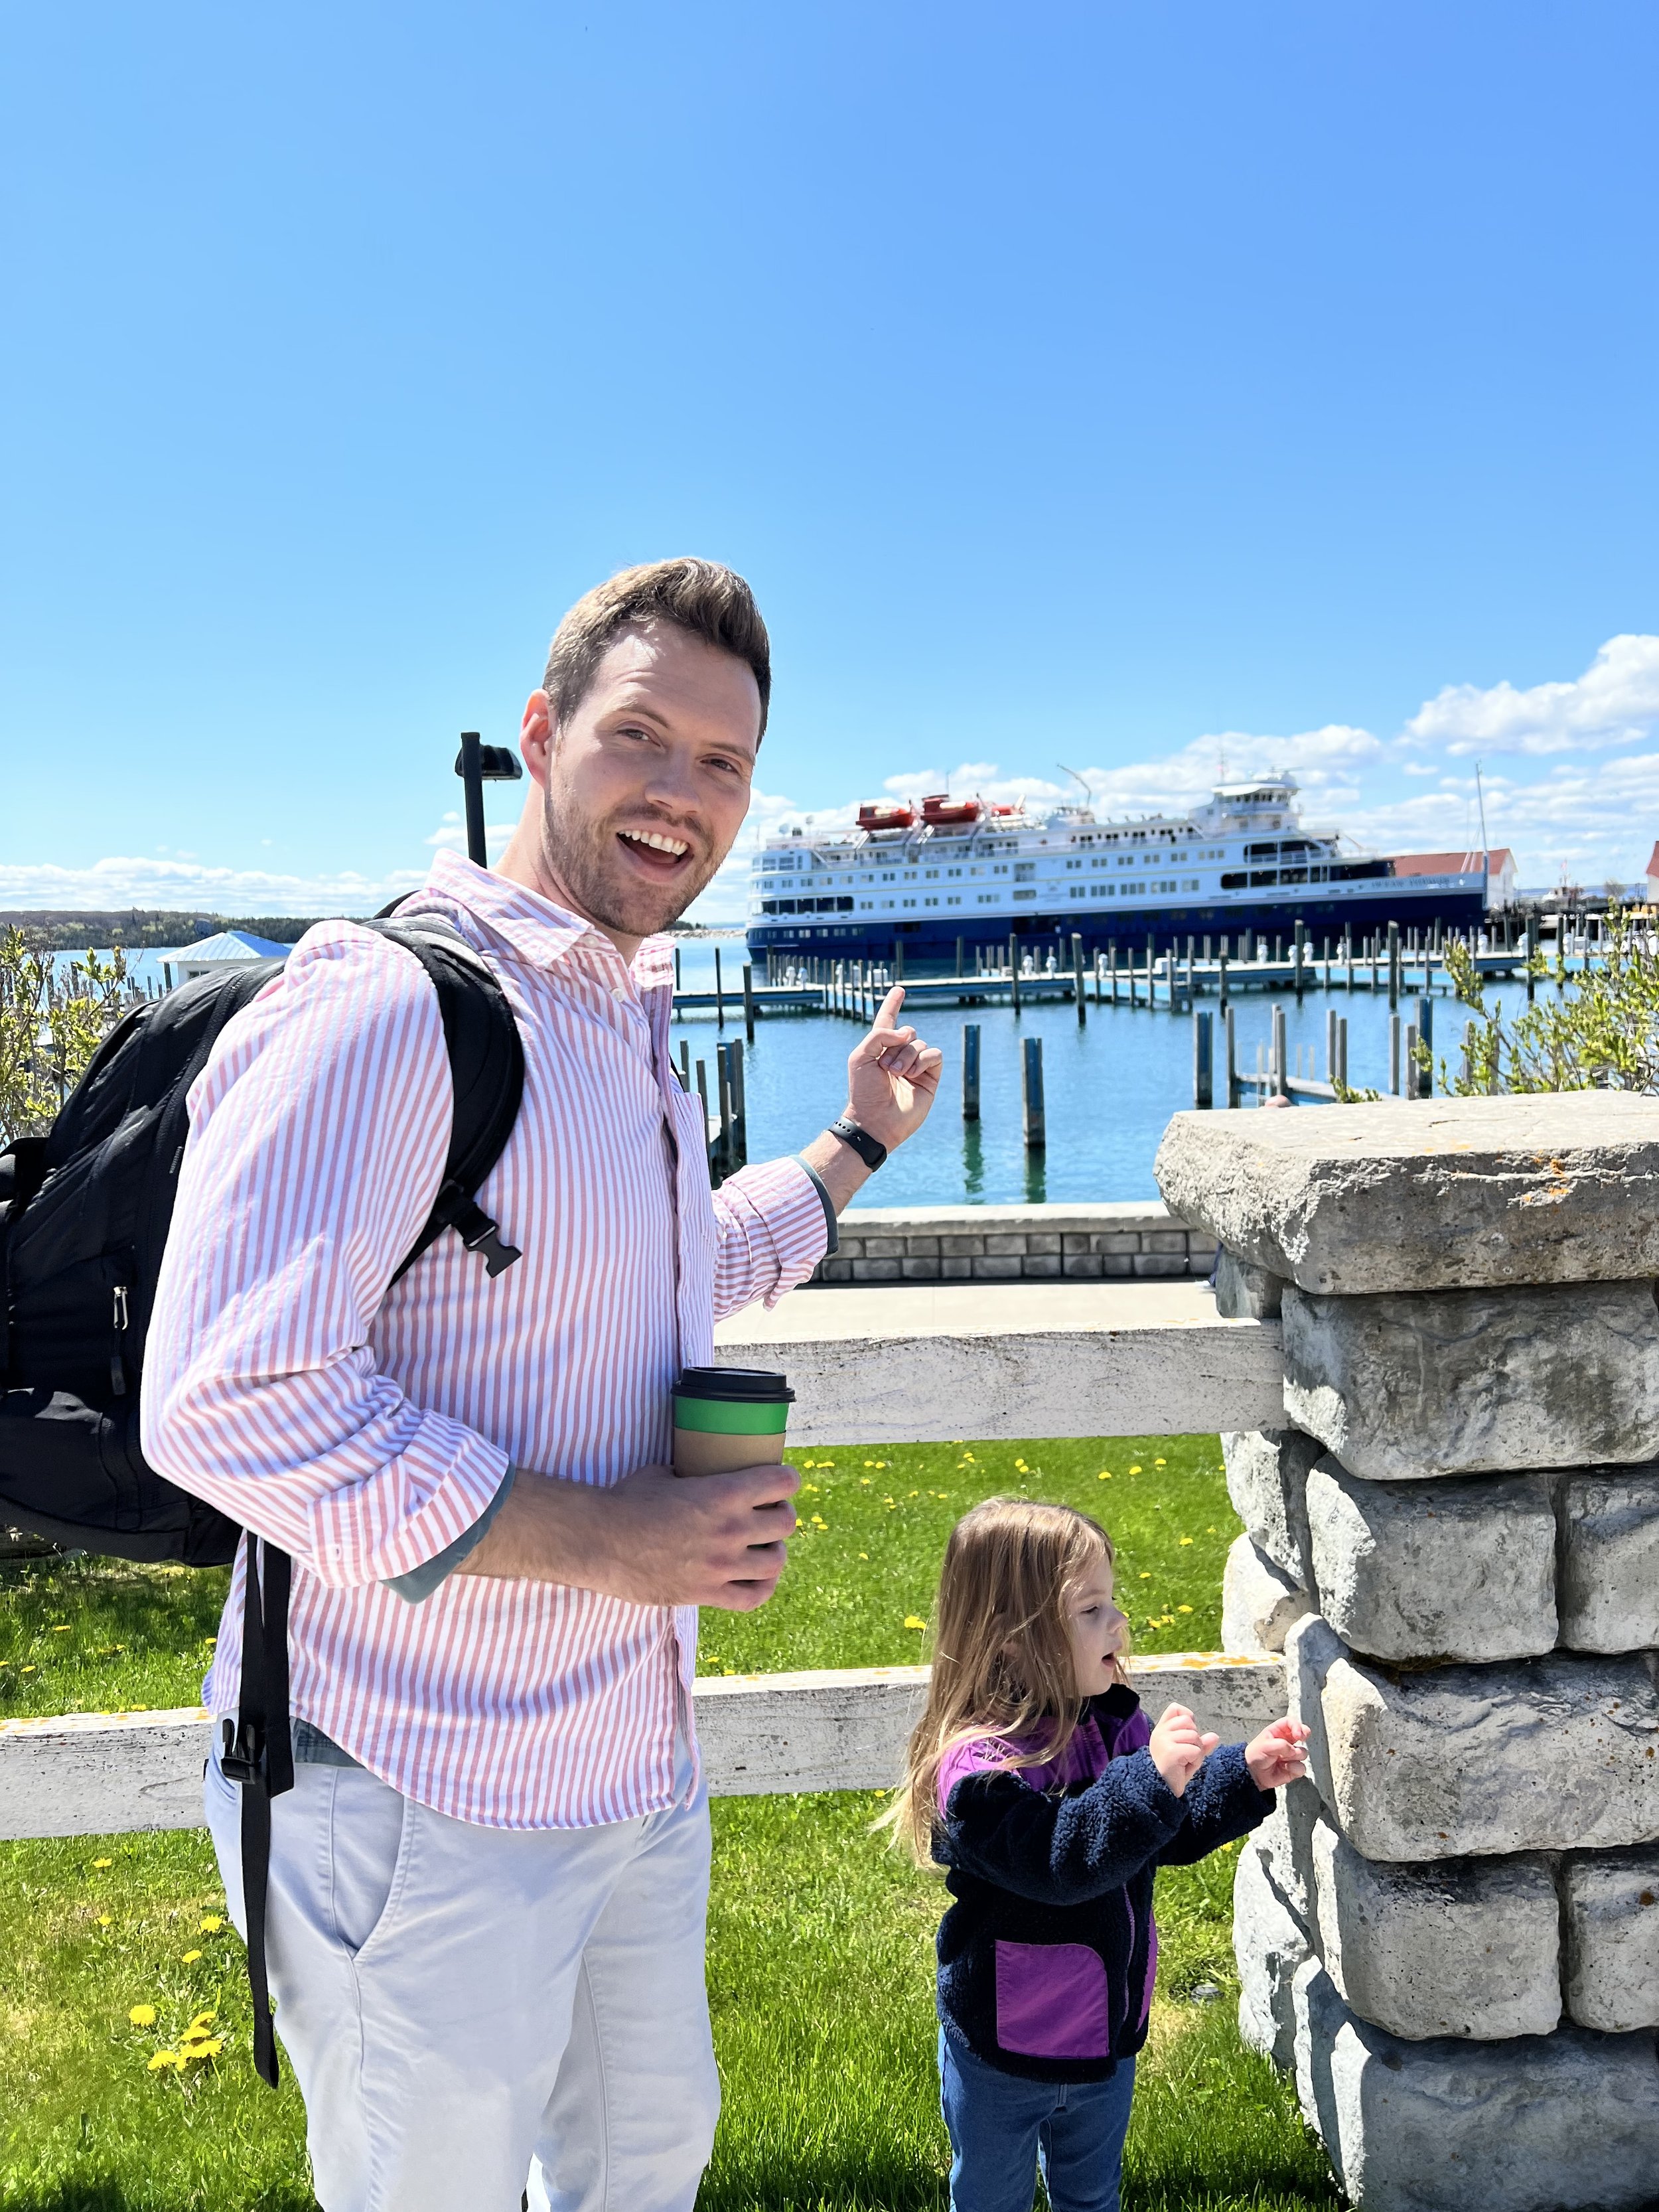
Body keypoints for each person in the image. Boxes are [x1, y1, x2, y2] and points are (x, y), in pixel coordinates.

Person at [141, 558, 944, 2212]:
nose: (683, 795)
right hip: (413, 1784)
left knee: (645, 2170)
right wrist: (618, 1546)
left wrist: (852, 1143)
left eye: (724, 762)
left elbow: (657, 1265)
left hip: (630, 1769)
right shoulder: (392, 1006)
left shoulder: (618, 1013)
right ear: (540, 731)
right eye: (642, 736)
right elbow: (227, 1397)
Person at [884, 1499, 1310, 2212]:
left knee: (1091, 2195)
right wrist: (1150, 1777)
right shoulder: (978, 1773)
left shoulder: (1107, 1721)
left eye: (1110, 1603)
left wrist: (1240, 1775)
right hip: (1002, 2046)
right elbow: (1063, 1860)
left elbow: (1153, 1832)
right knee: (990, 2195)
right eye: (1089, 1610)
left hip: (1104, 2033)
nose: (1117, 1624)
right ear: (1011, 1640)